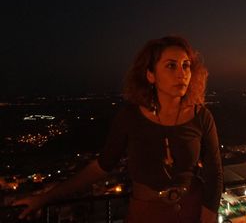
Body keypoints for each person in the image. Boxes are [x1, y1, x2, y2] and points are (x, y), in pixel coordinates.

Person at [14, 36, 223, 223]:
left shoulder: (201, 116)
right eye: (171, 66)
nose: (182, 74)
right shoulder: (131, 117)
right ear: (150, 75)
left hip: (192, 210)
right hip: (146, 213)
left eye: (186, 65)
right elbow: (102, 166)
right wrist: (45, 197)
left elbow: (214, 173)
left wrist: (208, 216)